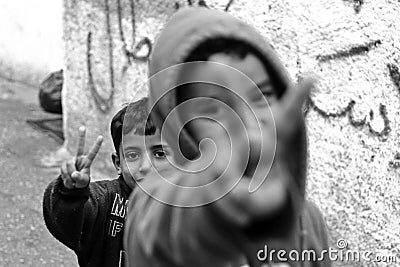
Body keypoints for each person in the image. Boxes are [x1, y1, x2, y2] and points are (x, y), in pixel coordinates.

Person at [124, 8, 331, 267]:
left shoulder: (307, 219)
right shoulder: (157, 206)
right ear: (179, 127)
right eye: (213, 109)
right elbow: (170, 225)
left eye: (262, 96)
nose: (246, 121)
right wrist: (211, 201)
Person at [43, 97, 174, 267]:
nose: (146, 167)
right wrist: (70, 194)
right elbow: (66, 222)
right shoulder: (105, 201)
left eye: (160, 153)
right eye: (133, 155)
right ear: (118, 163)